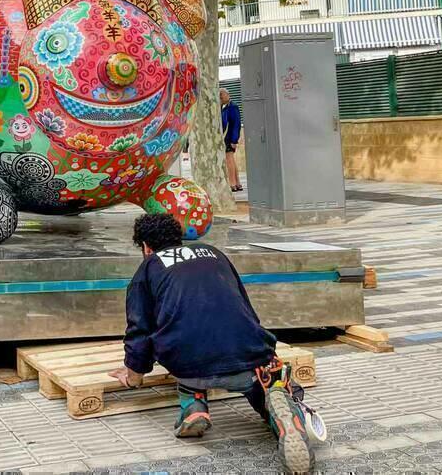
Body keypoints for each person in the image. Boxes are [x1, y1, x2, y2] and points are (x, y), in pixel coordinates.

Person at [109, 213, 314, 473]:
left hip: (189, 367)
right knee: (264, 380)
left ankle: (193, 406)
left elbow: (140, 329)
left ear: (146, 247)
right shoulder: (212, 253)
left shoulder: (147, 269)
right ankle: (279, 413)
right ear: (178, 238)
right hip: (248, 359)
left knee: (183, 344)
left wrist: (134, 373)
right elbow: (243, 306)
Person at [220, 89, 243, 192]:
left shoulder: (232, 107)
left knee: (229, 159)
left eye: (222, 94)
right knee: (231, 160)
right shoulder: (222, 107)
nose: (220, 96)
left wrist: (234, 140)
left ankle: (232, 183)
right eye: (219, 94)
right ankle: (237, 183)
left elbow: (236, 124)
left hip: (229, 137)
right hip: (224, 137)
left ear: (228, 95)